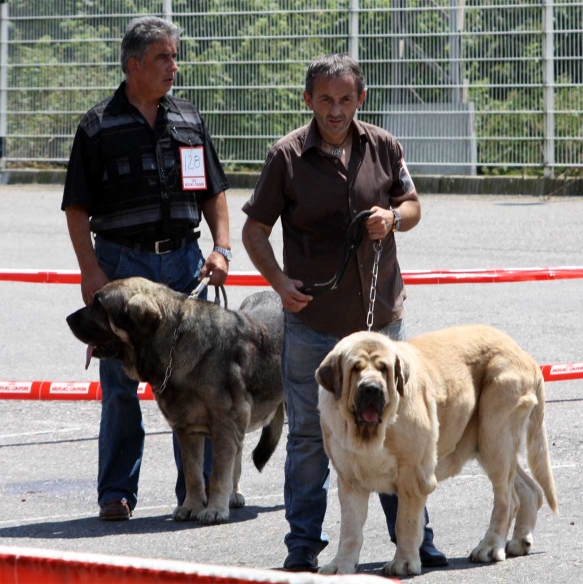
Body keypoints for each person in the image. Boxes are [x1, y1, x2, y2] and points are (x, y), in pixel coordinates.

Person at [242, 53, 448, 571]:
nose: (336, 110)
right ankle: (302, 547)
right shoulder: (285, 157)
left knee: (400, 437)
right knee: (311, 436)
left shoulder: (384, 146)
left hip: (383, 326)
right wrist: (279, 282)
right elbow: (254, 231)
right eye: (326, 99)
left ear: (361, 98)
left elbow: (414, 205)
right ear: (308, 100)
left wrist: (393, 217)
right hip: (313, 326)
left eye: (346, 99)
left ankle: (413, 544)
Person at [62, 16, 231, 521]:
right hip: (120, 267)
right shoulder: (96, 127)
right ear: (134, 65)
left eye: (174, 57)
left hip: (182, 265)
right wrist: (91, 272)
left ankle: (193, 492)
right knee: (119, 385)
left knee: (193, 381)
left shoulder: (187, 119)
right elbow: (76, 209)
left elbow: (214, 192)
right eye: (164, 58)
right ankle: (116, 494)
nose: (174, 67)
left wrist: (221, 249)